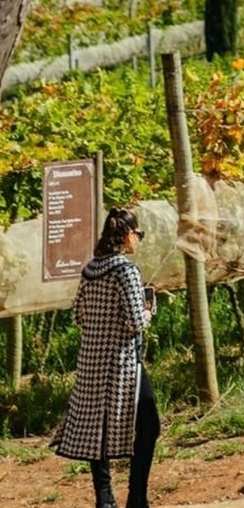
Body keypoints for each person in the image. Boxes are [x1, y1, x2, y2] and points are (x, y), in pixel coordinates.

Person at [53, 208, 160, 508]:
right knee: (149, 426)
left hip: (90, 361)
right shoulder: (126, 270)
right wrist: (149, 310)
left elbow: (78, 315)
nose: (139, 240)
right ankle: (136, 498)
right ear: (127, 235)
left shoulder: (90, 269)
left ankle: (105, 498)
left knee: (95, 427)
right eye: (138, 234)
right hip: (122, 364)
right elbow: (135, 322)